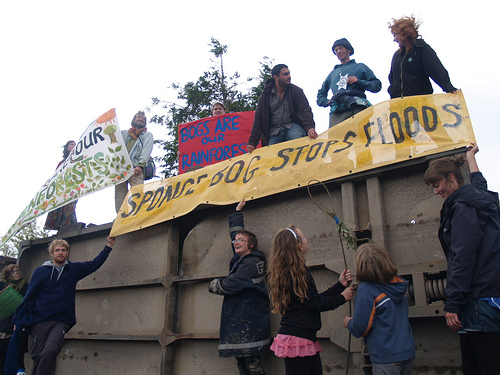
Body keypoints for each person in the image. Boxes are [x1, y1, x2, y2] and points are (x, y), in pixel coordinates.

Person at [424, 143, 500, 375]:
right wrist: (471, 159)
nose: (436, 191)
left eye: (437, 185)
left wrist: (453, 304)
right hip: (492, 297)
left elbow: (462, 257)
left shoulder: (463, 208)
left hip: (475, 302)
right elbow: (480, 184)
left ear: (451, 178)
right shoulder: (481, 200)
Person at [11, 236, 115, 375]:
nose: (60, 252)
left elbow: (94, 264)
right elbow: (29, 296)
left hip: (61, 321)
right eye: (57, 250)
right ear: (52, 253)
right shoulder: (40, 272)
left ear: (67, 252)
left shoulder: (73, 269)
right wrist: (17, 319)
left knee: (51, 349)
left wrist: (108, 246)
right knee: (38, 355)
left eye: (63, 250)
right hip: (40, 321)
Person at [267, 226, 353, 375]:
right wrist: (342, 297)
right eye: (304, 237)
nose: (307, 240)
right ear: (298, 245)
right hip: (298, 338)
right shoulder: (298, 272)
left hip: (301, 337)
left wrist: (339, 286)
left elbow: (312, 300)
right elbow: (315, 303)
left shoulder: (291, 271)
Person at [209, 199, 270, 375]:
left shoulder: (252, 262)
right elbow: (234, 235)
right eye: (235, 241)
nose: (236, 242)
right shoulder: (240, 259)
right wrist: (237, 212)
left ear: (251, 245)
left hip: (249, 323)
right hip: (239, 322)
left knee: (252, 367)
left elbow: (230, 285)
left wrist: (214, 285)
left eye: (241, 240)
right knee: (242, 367)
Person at [343, 243, 415, 375]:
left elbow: (360, 328)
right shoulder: (399, 284)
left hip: (386, 358)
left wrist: (349, 323)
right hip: (407, 352)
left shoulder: (366, 291)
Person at [247, 64, 318, 153]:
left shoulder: (296, 91)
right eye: (285, 74)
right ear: (276, 77)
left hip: (292, 126)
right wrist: (252, 142)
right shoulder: (265, 96)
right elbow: (258, 119)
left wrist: (310, 128)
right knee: (272, 155)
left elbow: (305, 110)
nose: (289, 76)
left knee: (299, 140)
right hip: (274, 132)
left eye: (289, 74)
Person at [388, 16, 458, 99]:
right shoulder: (397, 55)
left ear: (404, 34)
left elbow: (437, 70)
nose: (394, 39)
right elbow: (392, 78)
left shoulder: (421, 49)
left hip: (421, 102)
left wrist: (449, 88)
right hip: (399, 104)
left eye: (396, 35)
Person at [317, 38, 381, 127]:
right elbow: (321, 94)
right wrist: (327, 102)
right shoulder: (332, 74)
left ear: (349, 50)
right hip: (337, 113)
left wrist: (359, 81)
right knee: (336, 140)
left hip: (357, 108)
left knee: (360, 139)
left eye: (341, 48)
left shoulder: (360, 67)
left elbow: (377, 85)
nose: (338, 51)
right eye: (336, 50)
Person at [115, 111, 154, 212]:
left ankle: (138, 213)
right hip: (121, 168)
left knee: (138, 192)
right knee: (120, 194)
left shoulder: (147, 135)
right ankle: (121, 215)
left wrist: (140, 165)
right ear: (133, 119)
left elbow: (146, 150)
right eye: (139, 117)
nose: (141, 119)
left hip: (135, 168)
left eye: (143, 118)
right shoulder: (123, 134)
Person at [0, 266, 29, 375]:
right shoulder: (3, 286)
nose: (16, 273)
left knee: (17, 358)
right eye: (13, 272)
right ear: (7, 275)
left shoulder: (26, 287)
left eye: (17, 271)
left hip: (17, 328)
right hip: (3, 326)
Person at [44, 140, 78, 230]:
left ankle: (70, 226)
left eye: (75, 144)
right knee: (58, 205)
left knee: (69, 206)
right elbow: (56, 175)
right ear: (67, 148)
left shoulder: (78, 158)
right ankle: (58, 226)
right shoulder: (62, 163)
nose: (74, 146)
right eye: (72, 144)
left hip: (73, 186)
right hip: (61, 188)